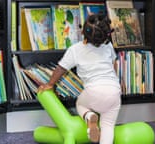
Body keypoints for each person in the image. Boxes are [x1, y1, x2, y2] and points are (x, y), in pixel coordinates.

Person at [37, 13, 121, 144]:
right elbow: (114, 65)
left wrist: (50, 84)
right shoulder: (108, 46)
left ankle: (89, 116)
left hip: (94, 91)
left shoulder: (75, 50)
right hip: (114, 91)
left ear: (83, 32)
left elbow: (61, 68)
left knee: (80, 104)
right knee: (108, 125)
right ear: (106, 35)